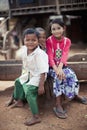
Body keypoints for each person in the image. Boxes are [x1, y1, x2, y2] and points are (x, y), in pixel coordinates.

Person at [6, 28, 49, 126]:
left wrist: (41, 85)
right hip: (30, 73)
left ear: (38, 41)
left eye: (33, 40)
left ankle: (36, 116)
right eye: (27, 40)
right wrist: (24, 75)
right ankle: (20, 101)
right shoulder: (24, 50)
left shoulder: (40, 54)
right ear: (23, 40)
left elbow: (43, 71)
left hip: (39, 76)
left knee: (29, 91)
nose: (30, 43)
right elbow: (25, 65)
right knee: (18, 81)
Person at [46, 18, 87, 119]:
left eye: (58, 28)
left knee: (71, 75)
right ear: (51, 31)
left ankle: (74, 95)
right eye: (53, 29)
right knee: (58, 78)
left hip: (62, 66)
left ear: (63, 28)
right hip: (52, 67)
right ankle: (58, 104)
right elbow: (50, 56)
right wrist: (57, 70)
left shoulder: (67, 41)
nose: (56, 31)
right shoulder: (49, 40)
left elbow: (64, 55)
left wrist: (60, 68)